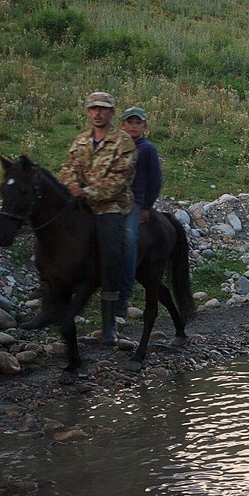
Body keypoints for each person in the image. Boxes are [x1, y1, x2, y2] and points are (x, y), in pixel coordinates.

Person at [60, 91, 136, 344]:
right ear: (88, 111)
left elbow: (119, 179)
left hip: (111, 206)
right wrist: (71, 187)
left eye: (103, 108)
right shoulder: (80, 141)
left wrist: (86, 192)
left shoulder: (122, 141)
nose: (98, 112)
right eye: (93, 108)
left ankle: (110, 323)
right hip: (81, 205)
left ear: (112, 112)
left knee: (111, 254)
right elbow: (68, 169)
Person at [119, 106, 162, 312]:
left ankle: (124, 291)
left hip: (134, 201)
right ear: (122, 125)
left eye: (138, 123)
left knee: (128, 237)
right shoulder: (116, 146)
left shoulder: (147, 149)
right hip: (110, 198)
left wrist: (146, 206)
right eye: (130, 122)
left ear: (144, 126)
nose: (133, 126)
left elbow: (155, 180)